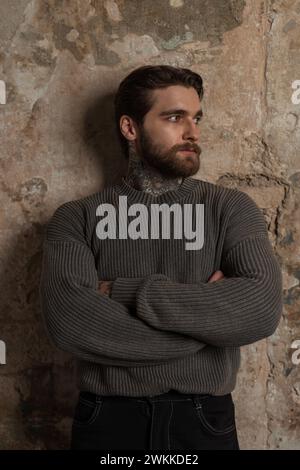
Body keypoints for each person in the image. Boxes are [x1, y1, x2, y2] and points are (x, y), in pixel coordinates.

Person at [39, 65, 283, 450]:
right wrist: (203, 330)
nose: (193, 133)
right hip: (108, 420)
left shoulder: (229, 208)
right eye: (174, 117)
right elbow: (70, 323)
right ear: (130, 128)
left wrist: (123, 292)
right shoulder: (77, 218)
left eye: (196, 118)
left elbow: (261, 308)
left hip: (204, 418)